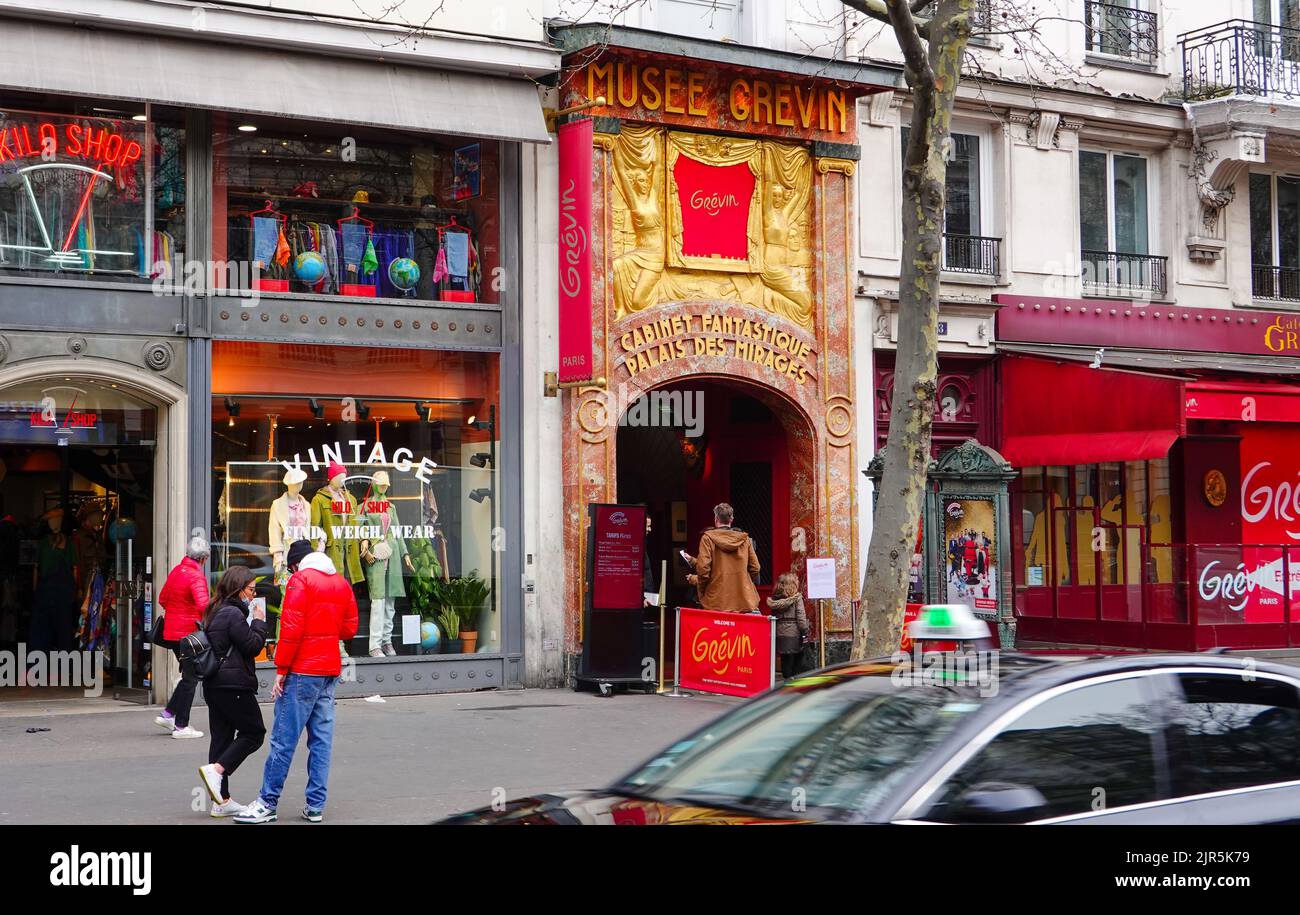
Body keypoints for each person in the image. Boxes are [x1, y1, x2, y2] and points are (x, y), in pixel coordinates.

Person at [236, 540, 358, 825]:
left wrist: (281, 669)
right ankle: (315, 806)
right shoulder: (340, 583)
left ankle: (267, 802)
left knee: (283, 739)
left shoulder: (300, 581)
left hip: (302, 669)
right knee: (321, 741)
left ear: (295, 565)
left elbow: (291, 629)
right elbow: (350, 627)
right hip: (329, 669)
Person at [197, 566, 268, 818]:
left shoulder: (215, 610)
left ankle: (222, 801)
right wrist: (259, 621)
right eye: (250, 589)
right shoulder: (232, 614)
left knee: (222, 738)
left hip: (214, 685)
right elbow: (252, 646)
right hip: (233, 685)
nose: (253, 594)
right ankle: (217, 770)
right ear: (238, 589)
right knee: (254, 732)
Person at [154, 535, 210, 739]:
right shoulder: (196, 576)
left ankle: (168, 714)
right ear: (203, 558)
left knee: (189, 674)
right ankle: (181, 726)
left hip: (172, 633)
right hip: (188, 636)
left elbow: (162, 599)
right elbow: (204, 606)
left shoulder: (177, 571)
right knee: (191, 677)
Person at [685, 503, 760, 613]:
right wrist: (744, 583)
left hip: (715, 601)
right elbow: (755, 568)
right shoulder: (745, 539)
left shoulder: (707, 538)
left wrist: (702, 589)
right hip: (743, 601)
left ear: (716, 518)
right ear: (731, 519)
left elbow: (704, 569)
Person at [767, 571, 810, 680]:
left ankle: (786, 677)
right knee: (797, 655)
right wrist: (805, 631)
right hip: (794, 632)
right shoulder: (797, 598)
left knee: (785, 657)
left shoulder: (775, 599)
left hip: (780, 632)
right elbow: (801, 617)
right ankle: (794, 679)